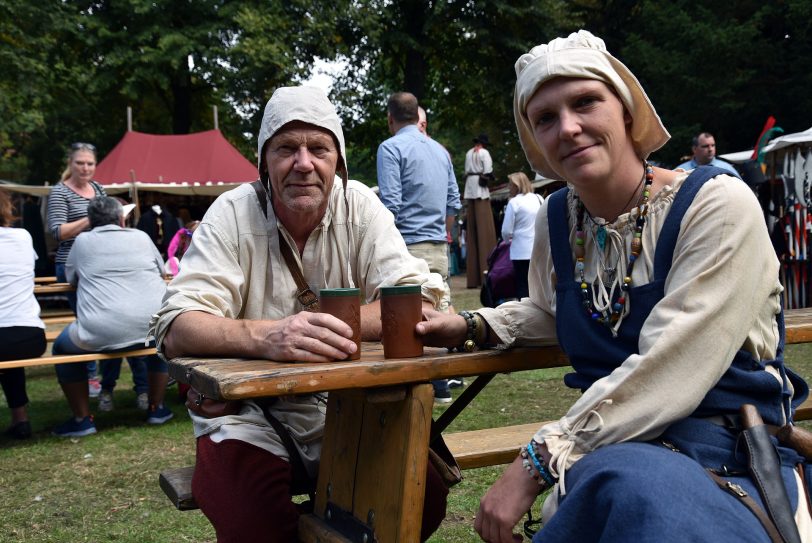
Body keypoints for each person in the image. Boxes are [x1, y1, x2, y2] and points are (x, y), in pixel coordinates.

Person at [416, 30, 811, 542]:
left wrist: (539, 458)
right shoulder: (556, 217)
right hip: (612, 455)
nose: (569, 128)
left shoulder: (717, 206)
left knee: (635, 501)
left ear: (626, 111)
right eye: (545, 119)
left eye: (585, 103)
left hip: (724, 449)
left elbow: (675, 359)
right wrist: (473, 324)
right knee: (618, 487)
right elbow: (560, 310)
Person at [150, 86, 449, 543]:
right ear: (264, 161)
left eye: (319, 149)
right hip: (249, 415)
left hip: (351, 406)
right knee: (249, 518)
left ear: (339, 161)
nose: (304, 163)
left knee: (421, 495)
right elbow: (177, 325)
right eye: (287, 148)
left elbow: (419, 301)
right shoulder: (232, 212)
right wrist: (268, 337)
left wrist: (325, 330)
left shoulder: (361, 205)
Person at [51, 196, 172, 437]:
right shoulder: (141, 237)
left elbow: (68, 278)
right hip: (154, 325)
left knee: (61, 348)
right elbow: (162, 269)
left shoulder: (83, 241)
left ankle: (82, 419)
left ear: (90, 221)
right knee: (159, 340)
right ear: (121, 218)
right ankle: (156, 407)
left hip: (101, 331)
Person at [377, 92, 462, 402]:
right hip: (439, 244)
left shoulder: (390, 148)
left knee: (409, 322)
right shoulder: (441, 152)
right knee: (440, 313)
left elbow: (391, 205)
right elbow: (454, 202)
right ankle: (443, 382)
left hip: (408, 245)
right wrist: (443, 234)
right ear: (417, 116)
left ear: (390, 119)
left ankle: (430, 387)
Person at [47, 142, 107, 398]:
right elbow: (57, 232)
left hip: (101, 263)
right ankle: (90, 376)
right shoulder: (60, 192)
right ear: (70, 164)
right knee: (85, 321)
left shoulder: (98, 189)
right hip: (72, 265)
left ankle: (105, 379)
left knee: (103, 318)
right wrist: (90, 218)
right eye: (80, 163)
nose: (85, 168)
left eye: (90, 163)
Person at [0, 189, 45, 439]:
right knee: (9, 355)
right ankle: (21, 419)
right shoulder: (22, 236)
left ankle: (20, 419)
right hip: (29, 337)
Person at [463, 133, 498, 288]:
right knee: (485, 232)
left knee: (472, 232)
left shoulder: (468, 153)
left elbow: (466, 170)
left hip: (470, 188)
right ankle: (487, 276)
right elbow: (488, 170)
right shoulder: (484, 153)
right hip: (480, 189)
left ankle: (473, 279)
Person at [501, 172, 542, 300]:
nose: (508, 187)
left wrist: (507, 240)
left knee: (522, 283)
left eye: (510, 185)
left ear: (516, 186)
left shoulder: (514, 202)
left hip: (520, 250)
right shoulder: (539, 198)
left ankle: (525, 310)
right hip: (538, 248)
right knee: (538, 283)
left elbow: (506, 230)